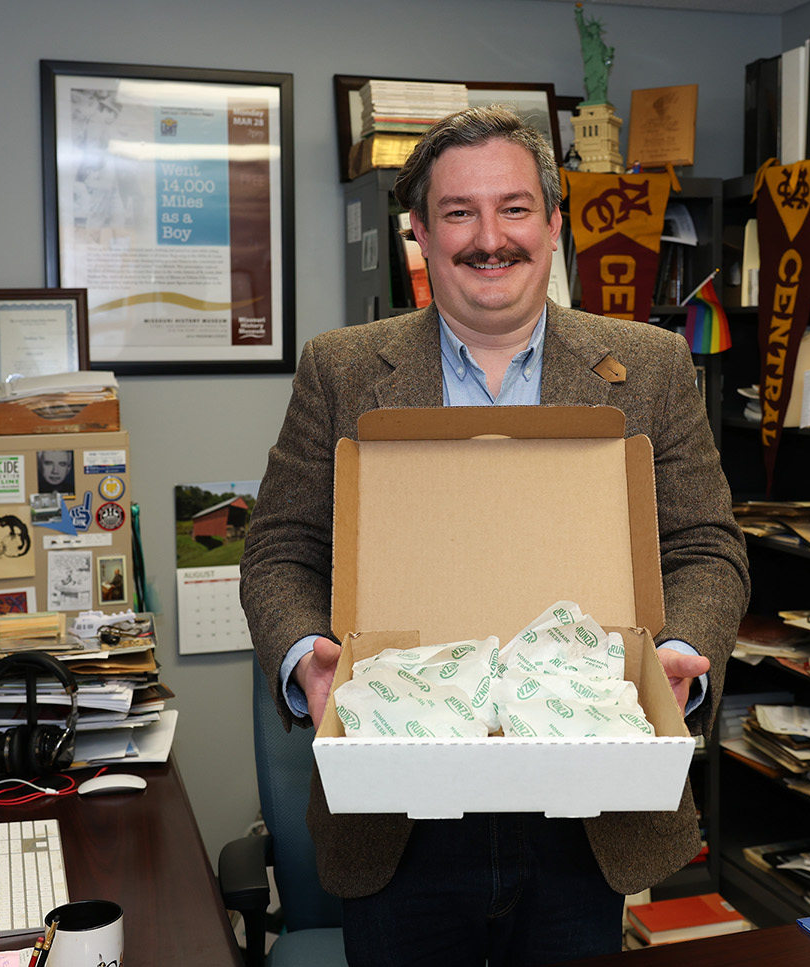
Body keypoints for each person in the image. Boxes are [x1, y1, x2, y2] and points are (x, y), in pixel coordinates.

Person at [239, 105, 748, 966]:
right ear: (421, 236)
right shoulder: (342, 368)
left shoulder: (651, 367)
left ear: (553, 226)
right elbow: (280, 549)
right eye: (459, 213)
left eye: (514, 209)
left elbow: (707, 546)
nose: (489, 239)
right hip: (399, 811)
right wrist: (305, 658)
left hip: (587, 805)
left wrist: (678, 656)